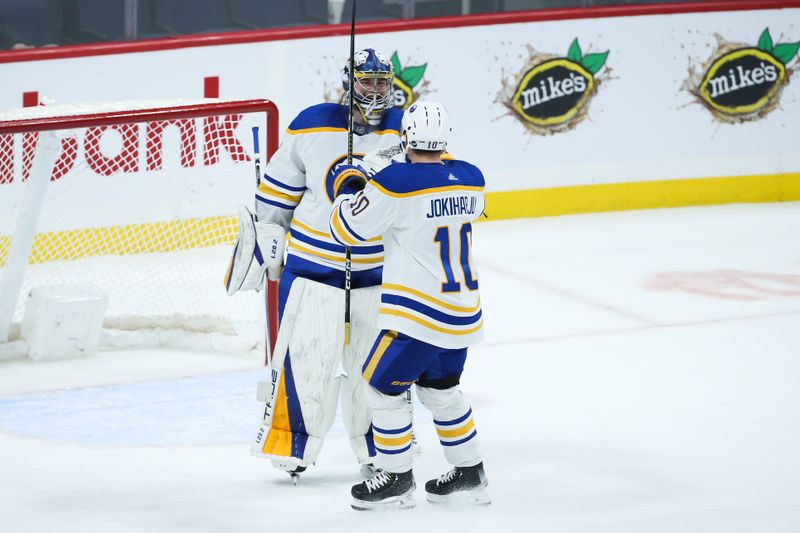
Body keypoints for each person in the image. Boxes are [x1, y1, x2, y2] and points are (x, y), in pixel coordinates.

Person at [226, 48, 406, 480]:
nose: (377, 91)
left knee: (376, 367)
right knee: (303, 362)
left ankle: (380, 449)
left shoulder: (404, 131)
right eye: (368, 81)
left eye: (384, 82)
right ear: (349, 82)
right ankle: (292, 446)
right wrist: (269, 238)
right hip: (311, 268)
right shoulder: (313, 125)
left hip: (378, 273)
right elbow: (274, 197)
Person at [328, 101, 490, 509]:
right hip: (462, 313)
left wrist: (352, 183)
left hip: (418, 316)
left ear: (406, 137)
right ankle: (470, 469)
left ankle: (396, 477)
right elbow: (436, 180)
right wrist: (389, 171)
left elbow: (347, 228)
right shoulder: (472, 178)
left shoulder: (396, 181)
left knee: (379, 389)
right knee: (442, 391)